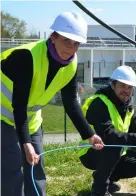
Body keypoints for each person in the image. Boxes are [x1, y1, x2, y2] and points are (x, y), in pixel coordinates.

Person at [1, 12, 104, 196]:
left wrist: (89, 134)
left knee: (36, 167)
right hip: (3, 117)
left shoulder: (71, 65)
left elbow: (71, 102)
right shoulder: (27, 57)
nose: (70, 49)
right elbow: (19, 105)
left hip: (30, 119)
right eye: (66, 40)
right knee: (12, 169)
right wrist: (26, 143)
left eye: (76, 44)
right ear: (53, 36)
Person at [78, 65, 136, 196]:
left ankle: (107, 179)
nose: (126, 90)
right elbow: (108, 135)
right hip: (92, 152)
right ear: (113, 85)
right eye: (122, 86)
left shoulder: (127, 106)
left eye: (129, 87)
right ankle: (99, 190)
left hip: (115, 152)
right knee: (113, 147)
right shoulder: (99, 103)